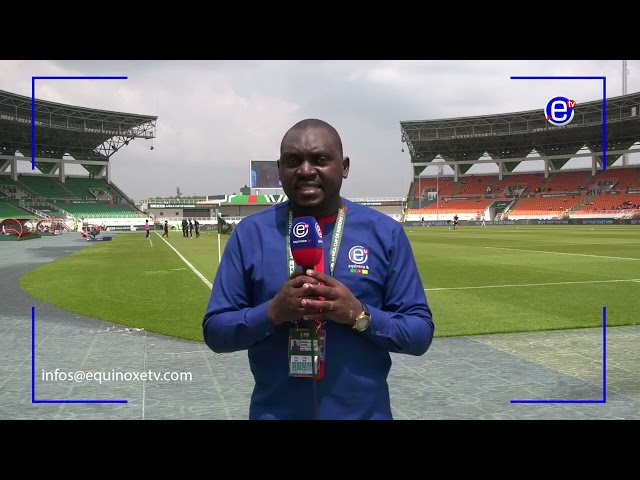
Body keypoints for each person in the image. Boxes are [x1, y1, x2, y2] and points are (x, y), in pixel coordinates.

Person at [202, 118, 434, 420]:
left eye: (320, 159)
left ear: (345, 166)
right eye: (293, 161)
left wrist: (359, 315)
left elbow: (420, 333)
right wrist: (271, 313)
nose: (306, 170)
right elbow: (215, 331)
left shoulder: (385, 233)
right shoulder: (250, 234)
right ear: (280, 168)